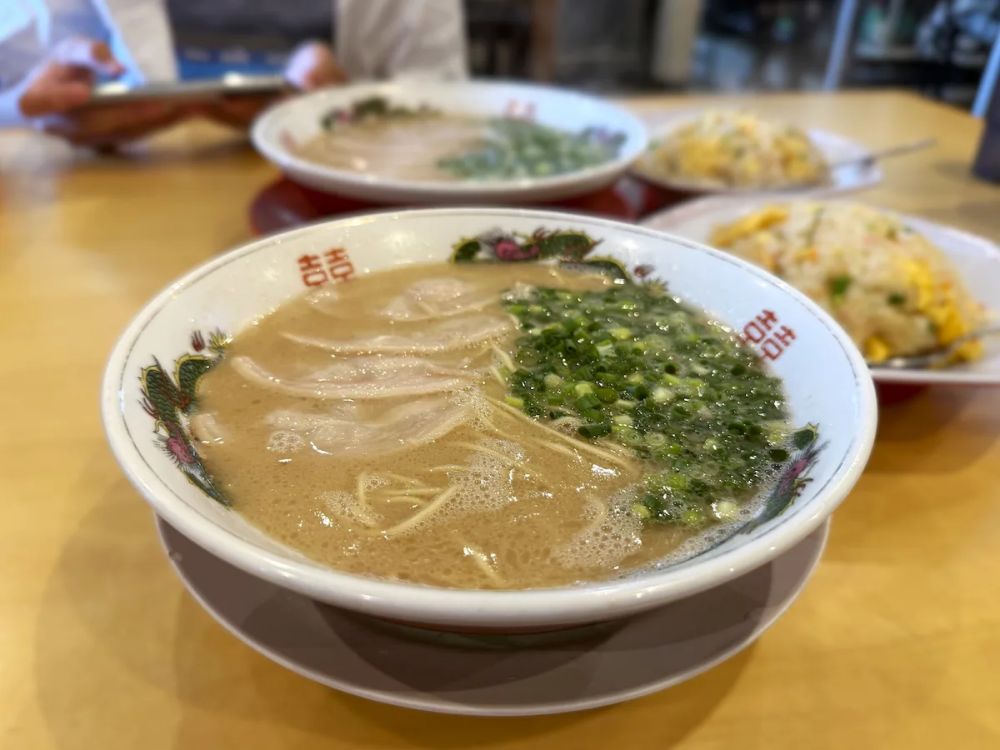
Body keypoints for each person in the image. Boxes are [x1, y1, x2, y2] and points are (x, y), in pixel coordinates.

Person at [0, 0, 466, 147]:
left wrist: (343, 116)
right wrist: (27, 110)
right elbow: (13, 95)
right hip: (100, 205)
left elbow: (450, 114)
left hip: (317, 211)